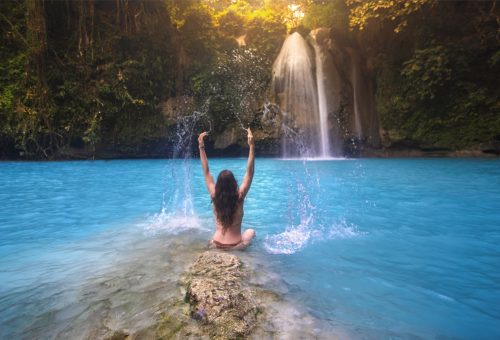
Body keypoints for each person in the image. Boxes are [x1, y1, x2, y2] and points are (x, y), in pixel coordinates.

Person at [198, 128, 256, 250]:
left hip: (215, 243)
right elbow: (249, 173)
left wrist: (201, 147)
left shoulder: (214, 196)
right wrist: (251, 146)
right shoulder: (239, 197)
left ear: (218, 185)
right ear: (234, 183)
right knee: (251, 231)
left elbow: (206, 172)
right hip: (235, 246)